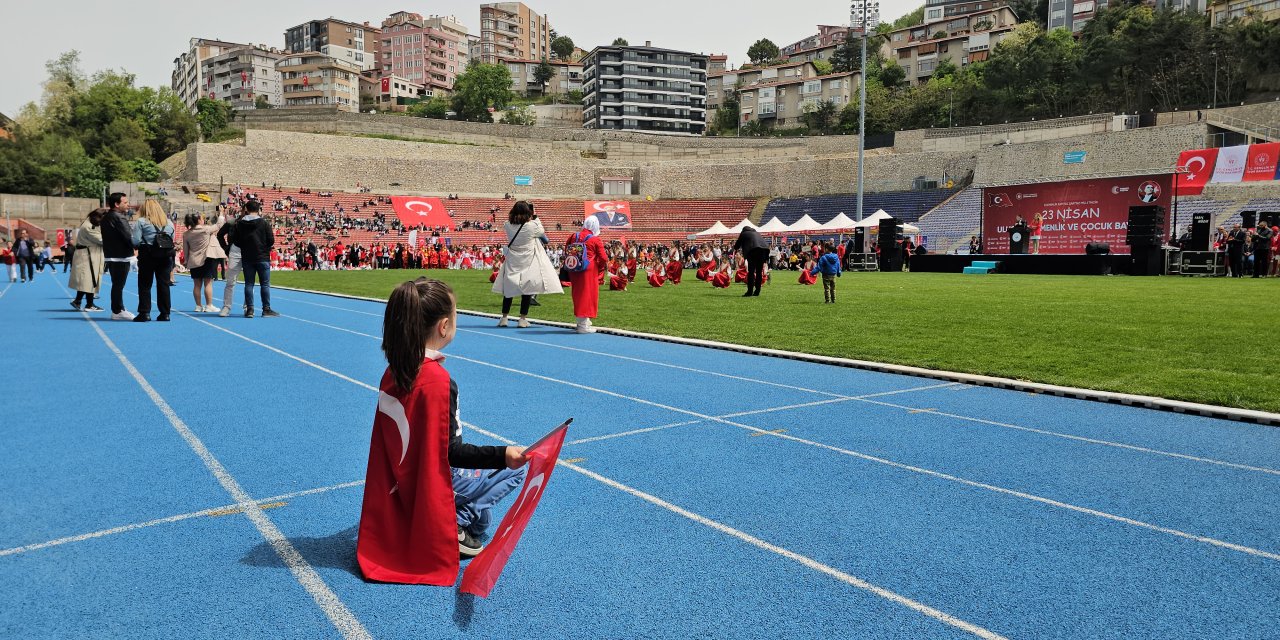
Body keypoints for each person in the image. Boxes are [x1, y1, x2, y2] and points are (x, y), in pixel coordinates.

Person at [357, 278, 528, 584]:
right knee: (517, 467)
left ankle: (465, 521)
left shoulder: (394, 370)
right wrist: (504, 454)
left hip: (403, 474)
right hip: (436, 476)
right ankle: (457, 522)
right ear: (444, 326)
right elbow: (452, 453)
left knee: (484, 520)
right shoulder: (438, 381)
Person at [492, 201, 562, 328]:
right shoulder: (532, 226)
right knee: (527, 289)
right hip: (528, 259)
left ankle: (504, 317)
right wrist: (535, 215)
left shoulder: (507, 225)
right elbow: (541, 232)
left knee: (509, 289)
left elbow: (512, 225)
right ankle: (522, 318)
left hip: (513, 259)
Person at [232, 200, 279, 318]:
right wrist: (263, 247)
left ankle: (250, 309)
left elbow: (236, 241)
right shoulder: (264, 223)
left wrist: (245, 246)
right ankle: (266, 309)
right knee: (265, 284)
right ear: (258, 210)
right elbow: (271, 241)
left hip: (247, 257)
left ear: (246, 209)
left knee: (249, 284)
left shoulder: (240, 224)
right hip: (262, 256)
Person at [131, 199, 175, 322]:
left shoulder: (141, 222)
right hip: (165, 256)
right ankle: (165, 313)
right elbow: (172, 239)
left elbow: (135, 241)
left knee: (145, 284)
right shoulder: (169, 223)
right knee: (164, 284)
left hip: (147, 254)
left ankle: (144, 313)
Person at [565, 217, 608, 334]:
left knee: (578, 294)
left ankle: (583, 320)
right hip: (589, 270)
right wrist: (599, 266)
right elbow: (604, 258)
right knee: (587, 295)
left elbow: (566, 248)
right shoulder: (595, 239)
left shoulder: (574, 236)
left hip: (574, 268)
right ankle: (582, 325)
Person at [101, 193, 135, 320]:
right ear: (117, 204)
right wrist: (139, 246)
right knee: (119, 285)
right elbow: (128, 237)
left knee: (116, 284)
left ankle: (117, 309)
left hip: (111, 255)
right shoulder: (119, 217)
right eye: (125, 202)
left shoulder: (106, 217)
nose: (128, 205)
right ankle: (118, 310)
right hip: (120, 256)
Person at [68, 209, 106, 311]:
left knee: (86, 280)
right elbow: (101, 240)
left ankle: (78, 301)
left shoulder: (89, 223)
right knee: (90, 279)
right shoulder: (89, 227)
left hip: (89, 253)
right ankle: (89, 304)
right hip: (88, 254)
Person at [182, 213, 222, 312]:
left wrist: (186, 260)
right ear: (199, 220)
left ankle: (198, 306)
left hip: (194, 260)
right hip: (206, 259)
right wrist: (221, 214)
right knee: (208, 283)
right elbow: (219, 225)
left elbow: (185, 249)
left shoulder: (186, 234)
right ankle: (209, 305)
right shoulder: (206, 229)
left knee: (196, 284)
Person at [217, 208, 243, 317]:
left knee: (250, 283)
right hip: (234, 253)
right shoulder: (232, 222)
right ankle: (226, 306)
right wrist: (227, 248)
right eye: (245, 211)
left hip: (249, 254)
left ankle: (248, 307)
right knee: (230, 281)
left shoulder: (255, 223)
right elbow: (220, 234)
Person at [733, 226, 770, 297]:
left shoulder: (744, 233)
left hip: (753, 251)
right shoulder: (756, 233)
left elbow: (737, 245)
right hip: (764, 250)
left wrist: (736, 247)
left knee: (751, 272)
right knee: (759, 272)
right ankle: (757, 291)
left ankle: (749, 291)